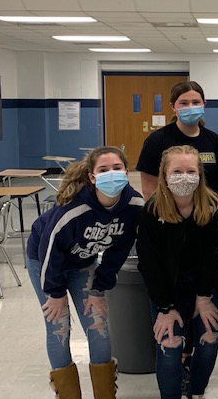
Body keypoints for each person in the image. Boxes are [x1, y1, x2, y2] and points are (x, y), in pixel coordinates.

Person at [26, 146, 144, 398]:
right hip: (44, 263)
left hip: (82, 264)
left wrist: (99, 289)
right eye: (103, 170)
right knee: (59, 325)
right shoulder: (73, 210)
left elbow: (119, 251)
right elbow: (50, 251)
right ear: (92, 177)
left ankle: (104, 394)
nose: (111, 174)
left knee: (98, 323)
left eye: (117, 168)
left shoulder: (133, 205)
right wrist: (55, 293)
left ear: (126, 171)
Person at [136, 80, 218, 391]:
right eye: (176, 172)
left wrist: (203, 298)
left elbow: (211, 257)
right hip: (166, 284)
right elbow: (149, 264)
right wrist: (165, 307)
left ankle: (196, 389)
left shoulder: (211, 210)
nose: (184, 178)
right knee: (170, 346)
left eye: (191, 172)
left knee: (209, 340)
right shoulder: (152, 215)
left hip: (203, 281)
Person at [137, 80, 218, 198]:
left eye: (196, 102)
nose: (191, 107)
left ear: (204, 104)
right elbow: (149, 188)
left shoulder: (214, 140)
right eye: (184, 103)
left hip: (206, 210)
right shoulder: (156, 140)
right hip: (169, 211)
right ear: (173, 106)